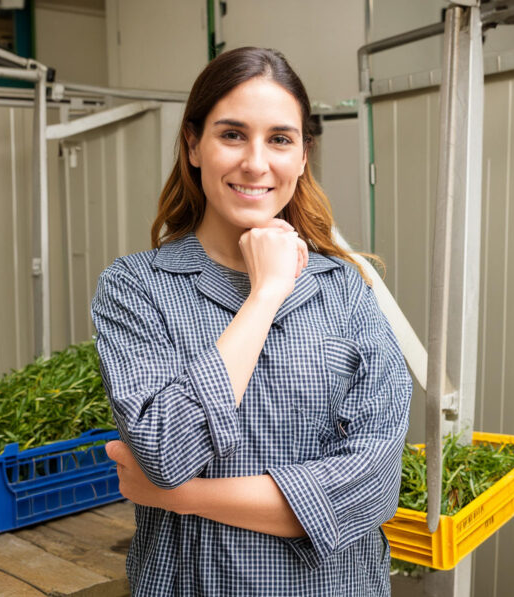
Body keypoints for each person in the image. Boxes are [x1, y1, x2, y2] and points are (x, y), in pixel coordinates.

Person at [92, 47, 413, 596]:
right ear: (193, 145)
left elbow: (373, 487)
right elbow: (166, 452)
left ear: (303, 155)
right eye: (233, 134)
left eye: (280, 139)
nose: (256, 163)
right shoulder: (136, 288)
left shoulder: (346, 293)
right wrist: (263, 296)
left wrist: (177, 495)